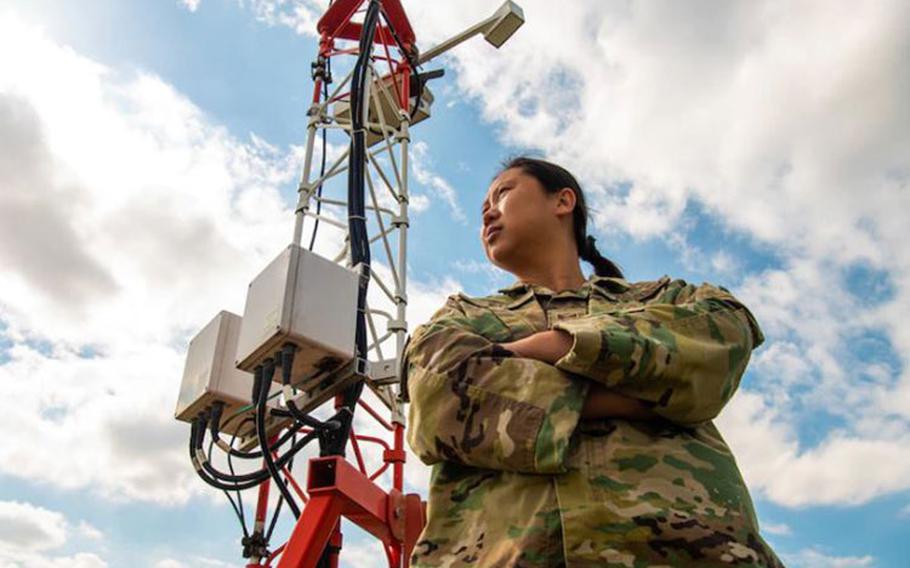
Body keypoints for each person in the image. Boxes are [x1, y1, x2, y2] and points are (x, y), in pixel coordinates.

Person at [400, 156, 785, 567]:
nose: (489, 213)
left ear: (563, 201)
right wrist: (633, 396)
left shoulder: (663, 298)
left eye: (504, 193)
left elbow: (727, 329)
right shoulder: (463, 315)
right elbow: (434, 391)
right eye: (482, 210)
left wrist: (555, 344)